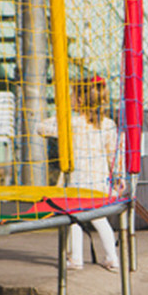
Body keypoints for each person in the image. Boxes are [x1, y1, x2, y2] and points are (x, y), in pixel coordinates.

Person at [36, 77, 121, 272]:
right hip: (98, 182)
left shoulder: (71, 123)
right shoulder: (108, 124)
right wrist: (117, 176)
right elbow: (113, 153)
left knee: (73, 218)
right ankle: (112, 258)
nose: (71, 99)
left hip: (75, 182)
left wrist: (61, 115)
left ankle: (76, 259)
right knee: (100, 219)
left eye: (73, 96)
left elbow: (40, 128)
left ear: (80, 101)